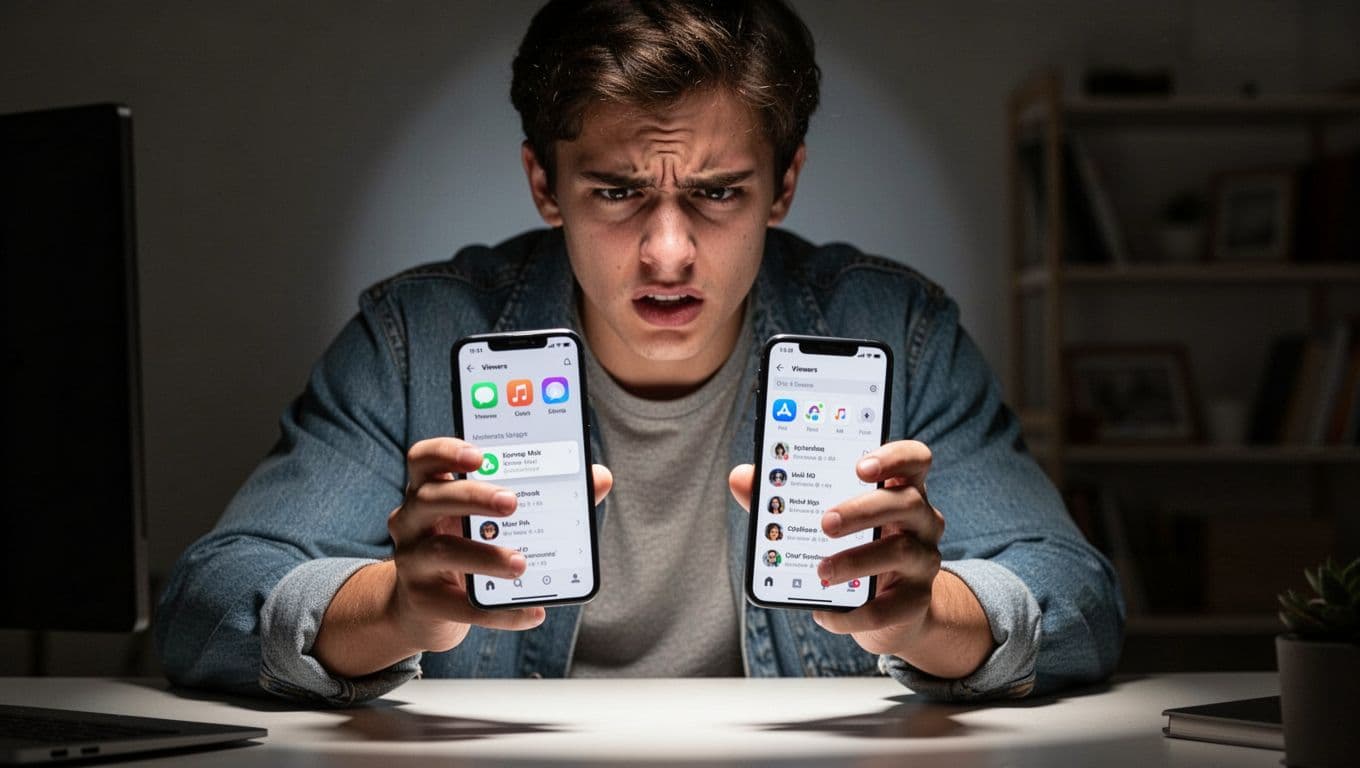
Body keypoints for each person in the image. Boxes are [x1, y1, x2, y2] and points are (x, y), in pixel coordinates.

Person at [156, 0, 1122, 704]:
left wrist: (930, 619)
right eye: (618, 192)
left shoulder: (895, 329)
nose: (669, 253)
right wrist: (392, 611)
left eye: (717, 192)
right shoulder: (417, 337)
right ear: (545, 182)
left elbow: (1079, 597)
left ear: (784, 186)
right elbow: (205, 602)